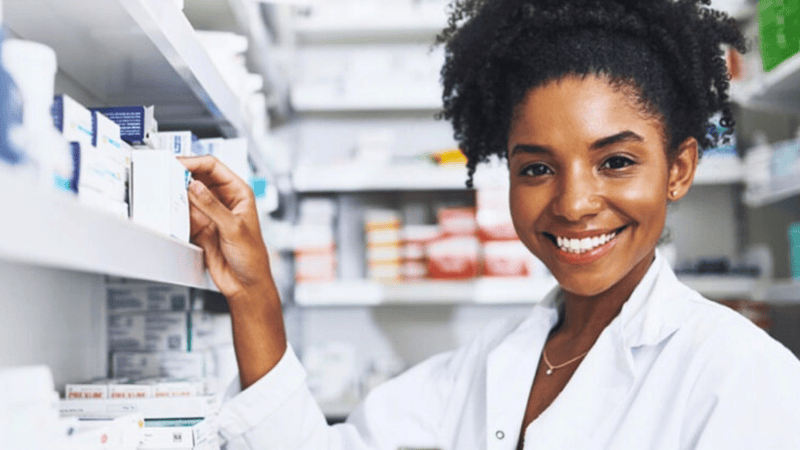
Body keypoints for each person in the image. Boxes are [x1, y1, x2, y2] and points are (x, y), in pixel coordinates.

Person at [180, 0, 800, 449]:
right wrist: (255, 297)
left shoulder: (743, 376)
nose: (575, 203)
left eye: (615, 161)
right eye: (536, 169)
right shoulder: (481, 370)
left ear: (679, 168)